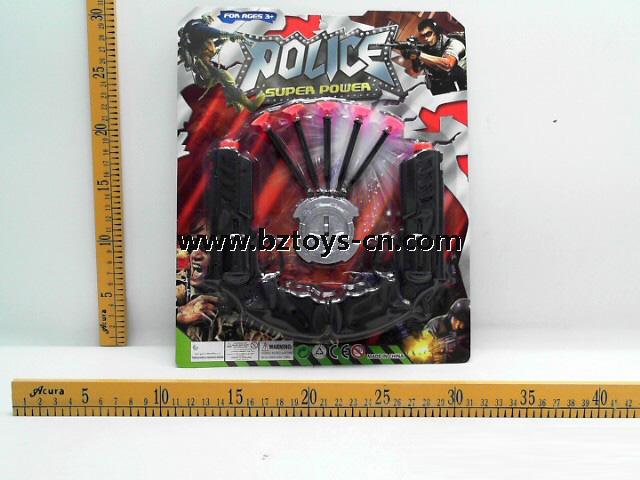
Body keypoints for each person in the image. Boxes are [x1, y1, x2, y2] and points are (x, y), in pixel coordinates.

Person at [178, 14, 265, 111]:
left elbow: (205, 45)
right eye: (209, 19)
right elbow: (212, 33)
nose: (210, 22)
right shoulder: (198, 27)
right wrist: (230, 35)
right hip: (204, 68)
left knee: (224, 79)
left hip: (202, 72)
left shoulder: (190, 36)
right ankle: (250, 105)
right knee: (226, 78)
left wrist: (225, 39)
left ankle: (236, 105)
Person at [408, 18, 467, 94]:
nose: (425, 38)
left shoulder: (454, 43)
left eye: (428, 34)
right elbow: (418, 69)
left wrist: (419, 54)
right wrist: (413, 57)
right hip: (436, 86)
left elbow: (447, 65)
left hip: (457, 87)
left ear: (436, 32)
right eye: (423, 36)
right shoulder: (427, 47)